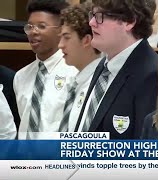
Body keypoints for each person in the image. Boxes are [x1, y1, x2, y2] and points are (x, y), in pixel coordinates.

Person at [74, 0, 158, 139]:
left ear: (129, 22)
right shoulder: (104, 64)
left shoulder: (151, 74)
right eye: (92, 15)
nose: (91, 23)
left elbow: (143, 149)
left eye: (100, 16)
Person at [14, 0, 78, 139]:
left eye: (41, 26)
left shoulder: (76, 71)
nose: (33, 32)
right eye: (29, 27)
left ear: (61, 30)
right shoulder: (21, 76)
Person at [57, 2, 102, 132]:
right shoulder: (76, 82)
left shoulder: (99, 86)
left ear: (86, 40)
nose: (60, 45)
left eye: (67, 38)